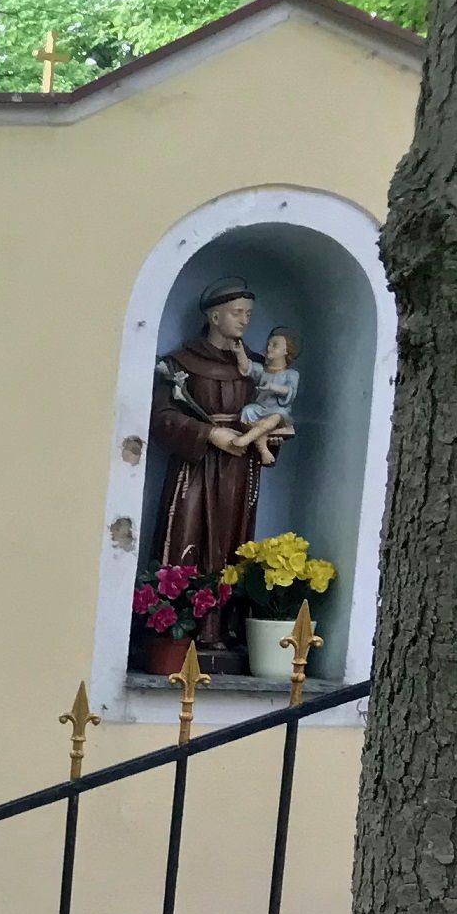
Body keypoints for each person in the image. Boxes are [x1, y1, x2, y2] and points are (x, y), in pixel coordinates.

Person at [149, 276, 271, 646]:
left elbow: (276, 412)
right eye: (237, 312)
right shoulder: (181, 363)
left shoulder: (256, 369)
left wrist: (267, 436)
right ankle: (178, 627)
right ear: (214, 317)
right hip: (196, 470)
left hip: (239, 469)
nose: (244, 320)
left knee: (234, 546)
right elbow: (160, 417)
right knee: (188, 537)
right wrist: (209, 434)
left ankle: (224, 629)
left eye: (249, 314)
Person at [230, 327, 300, 463]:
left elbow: (290, 391)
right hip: (260, 408)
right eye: (268, 344)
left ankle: (247, 438)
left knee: (274, 418)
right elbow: (246, 367)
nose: (269, 347)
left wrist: (272, 387)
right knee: (247, 411)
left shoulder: (291, 374)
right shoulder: (262, 371)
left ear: (286, 351)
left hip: (278, 411)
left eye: (275, 345)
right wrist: (240, 353)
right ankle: (264, 451)